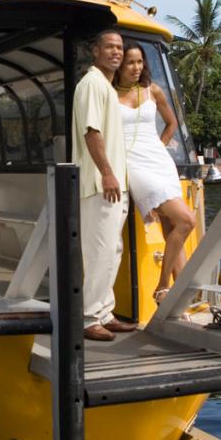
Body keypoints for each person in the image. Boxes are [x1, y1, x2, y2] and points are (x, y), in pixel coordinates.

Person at [114, 42, 197, 301]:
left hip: (159, 161)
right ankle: (162, 287)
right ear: (120, 65)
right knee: (186, 221)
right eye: (130, 62)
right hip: (134, 164)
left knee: (172, 227)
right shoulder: (109, 94)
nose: (136, 67)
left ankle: (179, 299)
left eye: (140, 62)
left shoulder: (153, 90)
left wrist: (159, 146)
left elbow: (172, 123)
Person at [71, 29, 139, 341]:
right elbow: (91, 132)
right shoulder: (92, 84)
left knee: (113, 251)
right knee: (99, 252)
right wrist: (108, 173)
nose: (116, 52)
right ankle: (88, 318)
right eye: (109, 47)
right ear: (95, 51)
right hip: (100, 184)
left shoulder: (107, 87)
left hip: (114, 185)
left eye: (119, 47)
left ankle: (104, 312)